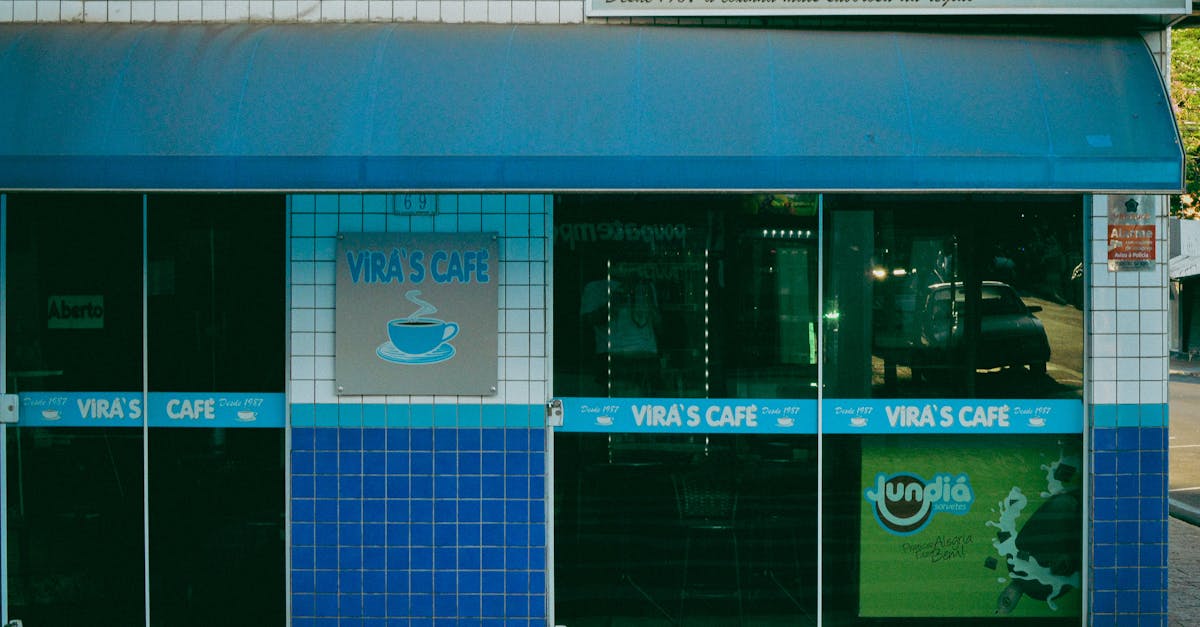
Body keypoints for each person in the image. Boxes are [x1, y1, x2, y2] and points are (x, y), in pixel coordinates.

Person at [580, 276, 662, 396]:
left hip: (646, 354)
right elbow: (588, 322)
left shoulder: (645, 286)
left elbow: (658, 324)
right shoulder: (595, 287)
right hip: (614, 354)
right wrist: (612, 303)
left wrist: (647, 301)